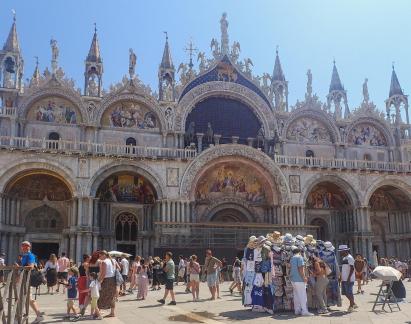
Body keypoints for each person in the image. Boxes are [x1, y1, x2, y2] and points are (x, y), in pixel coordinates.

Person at [18, 241, 44, 323]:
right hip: (24, 279)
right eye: (23, 246)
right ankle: (38, 315)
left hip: (27, 279)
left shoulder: (30, 255)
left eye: (26, 246)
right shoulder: (24, 255)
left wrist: (19, 267)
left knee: (26, 298)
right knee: (27, 298)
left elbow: (31, 266)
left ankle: (21, 316)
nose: (24, 247)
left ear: (29, 247)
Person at [290, 246, 313, 316]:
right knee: (303, 295)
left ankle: (297, 310)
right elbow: (301, 269)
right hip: (299, 279)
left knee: (296, 295)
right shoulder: (299, 258)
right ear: (299, 252)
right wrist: (304, 277)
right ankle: (304, 311)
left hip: (293, 279)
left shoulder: (292, 258)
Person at [98, 250, 117, 317]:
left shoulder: (104, 262)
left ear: (104, 255)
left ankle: (97, 312)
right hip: (113, 279)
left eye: (100, 255)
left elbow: (103, 274)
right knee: (112, 296)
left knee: (100, 295)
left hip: (106, 280)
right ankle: (112, 312)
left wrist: (99, 281)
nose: (99, 257)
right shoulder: (113, 260)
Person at [339, 245, 357, 312]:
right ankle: (353, 303)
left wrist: (349, 278)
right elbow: (343, 269)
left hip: (349, 279)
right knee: (345, 293)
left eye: (341, 251)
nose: (340, 253)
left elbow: (352, 268)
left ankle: (351, 306)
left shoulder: (350, 258)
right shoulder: (344, 258)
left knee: (349, 292)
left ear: (345, 251)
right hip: (344, 278)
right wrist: (341, 277)